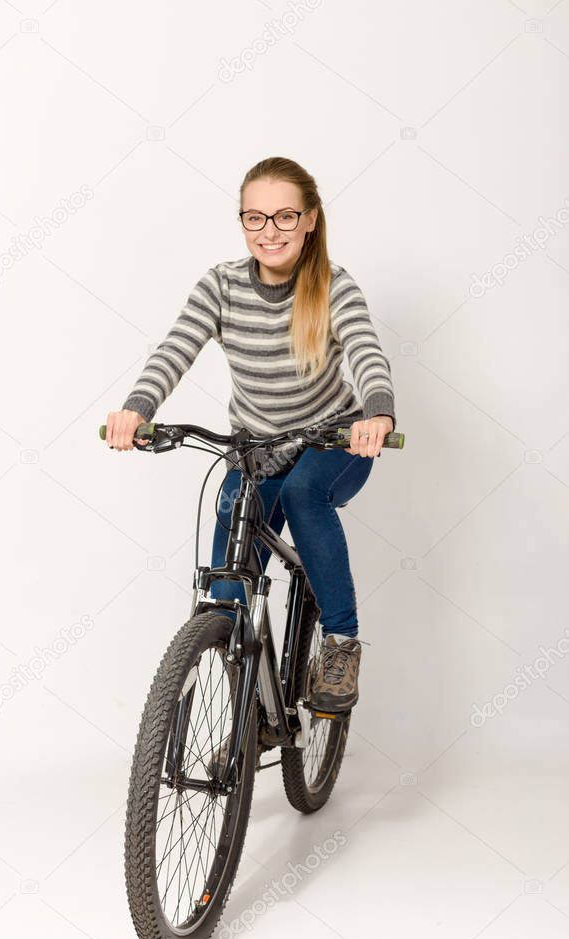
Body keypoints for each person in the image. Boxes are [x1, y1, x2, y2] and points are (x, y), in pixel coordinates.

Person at [105, 156, 397, 714]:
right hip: (256, 448)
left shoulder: (333, 287)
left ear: (310, 219)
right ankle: (252, 718)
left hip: (333, 442)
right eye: (255, 218)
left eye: (285, 216)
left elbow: (365, 352)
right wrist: (136, 408)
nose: (270, 231)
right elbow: (174, 349)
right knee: (227, 588)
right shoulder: (222, 285)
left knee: (303, 494)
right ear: (242, 222)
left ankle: (339, 642)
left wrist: (377, 415)